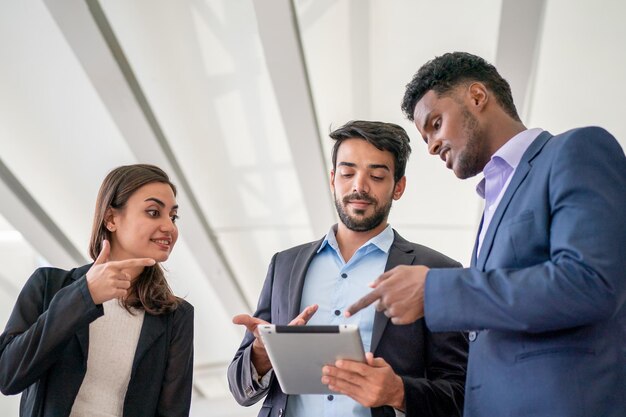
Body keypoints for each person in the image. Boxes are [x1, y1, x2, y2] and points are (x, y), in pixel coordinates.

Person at [347, 52, 626, 417]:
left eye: (435, 123)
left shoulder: (575, 151)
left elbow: (591, 282)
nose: (430, 146)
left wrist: (435, 290)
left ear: (477, 97)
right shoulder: (492, 199)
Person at [228, 120, 468, 417]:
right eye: (347, 173)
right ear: (333, 180)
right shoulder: (284, 266)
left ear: (399, 187)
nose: (359, 186)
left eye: (377, 176)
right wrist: (261, 354)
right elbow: (240, 390)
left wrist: (398, 392)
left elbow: (461, 393)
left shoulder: (436, 271)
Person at [0, 164, 194, 417]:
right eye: (154, 212)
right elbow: (8, 375)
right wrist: (84, 296)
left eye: (173, 216)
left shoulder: (175, 316)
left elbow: (173, 413)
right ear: (111, 219)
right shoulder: (48, 286)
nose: (169, 227)